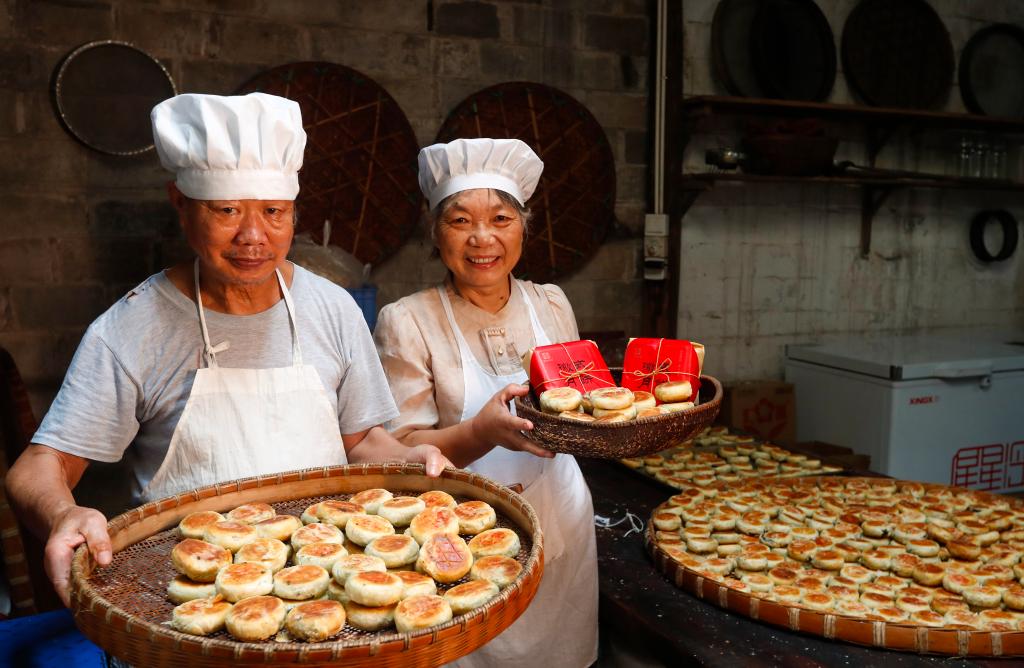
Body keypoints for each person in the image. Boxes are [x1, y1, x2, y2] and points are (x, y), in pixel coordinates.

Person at [5, 93, 450, 606]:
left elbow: (358, 441)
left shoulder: (333, 308)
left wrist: (406, 456)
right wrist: (64, 514)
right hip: (192, 601)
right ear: (180, 203)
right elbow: (38, 465)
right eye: (227, 210)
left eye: (274, 212)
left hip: (327, 589)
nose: (253, 236)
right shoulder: (131, 328)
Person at [373, 137, 598, 666]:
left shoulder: (552, 304)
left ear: (524, 227)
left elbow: (581, 409)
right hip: (462, 541)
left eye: (500, 218)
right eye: (460, 221)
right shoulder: (408, 321)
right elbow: (396, 451)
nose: (482, 239)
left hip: (561, 517)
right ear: (435, 232)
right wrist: (479, 432)